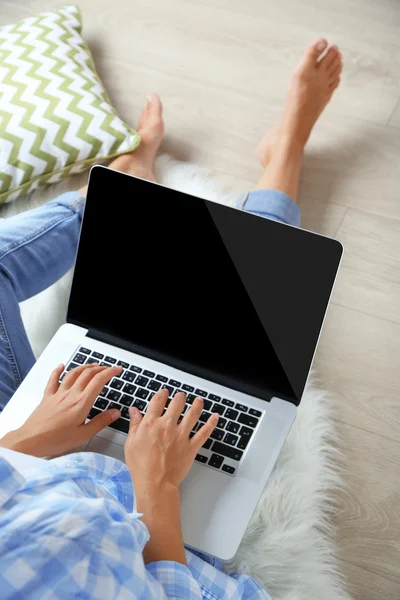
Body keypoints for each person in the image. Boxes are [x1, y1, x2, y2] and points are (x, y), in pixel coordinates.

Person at [0, 39, 342, 599]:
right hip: (150, 530)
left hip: (26, 457)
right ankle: (284, 156)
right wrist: (157, 488)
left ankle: (118, 186)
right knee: (248, 311)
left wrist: (26, 439)